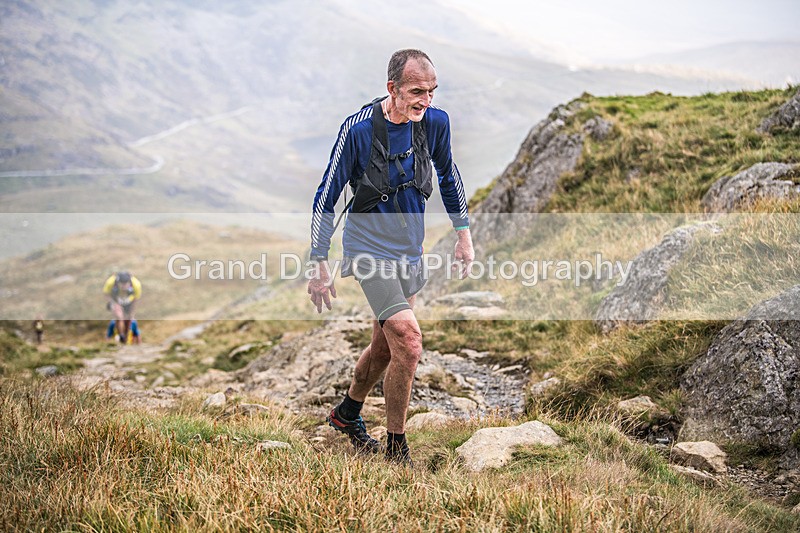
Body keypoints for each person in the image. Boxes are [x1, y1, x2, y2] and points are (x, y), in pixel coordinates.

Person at [308, 49, 474, 465]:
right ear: (392, 88)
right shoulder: (358, 130)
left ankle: (347, 414)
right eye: (417, 91)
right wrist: (318, 260)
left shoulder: (434, 122)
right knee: (410, 342)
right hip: (368, 252)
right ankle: (397, 448)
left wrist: (463, 233)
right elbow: (327, 196)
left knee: (385, 347)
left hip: (409, 252)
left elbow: (448, 173)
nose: (426, 100)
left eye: (432, 91)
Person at [102, 271, 142, 344]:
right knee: (119, 316)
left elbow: (136, 299)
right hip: (115, 300)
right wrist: (114, 303)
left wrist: (132, 312)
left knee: (128, 318)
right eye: (121, 284)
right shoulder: (110, 282)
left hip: (129, 301)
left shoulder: (136, 284)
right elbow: (106, 294)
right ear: (118, 282)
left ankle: (125, 337)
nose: (123, 286)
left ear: (129, 283)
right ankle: (121, 335)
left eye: (125, 284)